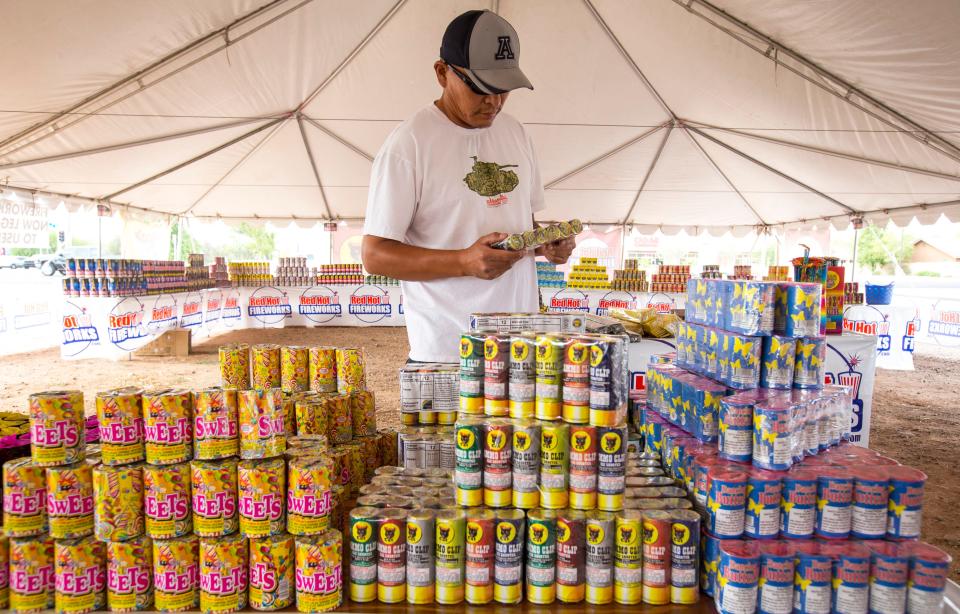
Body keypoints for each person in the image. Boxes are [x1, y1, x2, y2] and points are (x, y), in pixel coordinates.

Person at [362, 9, 575, 363]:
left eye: (503, 89)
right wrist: (463, 261)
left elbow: (522, 227)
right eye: (479, 88)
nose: (493, 101)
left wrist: (545, 245)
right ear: (442, 73)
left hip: (519, 349)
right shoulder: (409, 145)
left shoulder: (516, 134)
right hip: (447, 354)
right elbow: (374, 255)